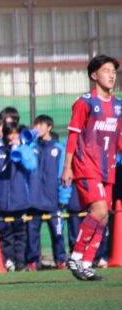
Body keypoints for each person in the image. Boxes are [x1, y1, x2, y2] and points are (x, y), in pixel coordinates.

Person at [62, 54, 122, 281]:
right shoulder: (85, 102)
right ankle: (76, 256)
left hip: (108, 168)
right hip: (86, 165)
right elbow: (73, 136)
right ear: (94, 75)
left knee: (103, 217)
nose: (112, 75)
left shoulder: (118, 106)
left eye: (114, 72)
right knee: (99, 211)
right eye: (106, 71)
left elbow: (119, 138)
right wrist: (67, 167)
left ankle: (86, 264)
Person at [0, 122, 37, 272]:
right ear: (5, 134)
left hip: (20, 200)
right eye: (10, 133)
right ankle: (7, 261)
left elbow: (31, 166)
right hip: (0, 199)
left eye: (16, 133)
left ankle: (20, 263)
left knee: (21, 234)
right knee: (4, 234)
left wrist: (20, 149)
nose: (13, 136)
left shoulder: (25, 148)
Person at [26, 114, 70, 270]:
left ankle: (60, 260)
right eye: (35, 125)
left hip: (53, 199)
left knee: (57, 233)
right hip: (34, 200)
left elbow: (64, 174)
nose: (37, 128)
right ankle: (33, 261)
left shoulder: (59, 149)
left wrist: (64, 196)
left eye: (41, 125)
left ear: (49, 127)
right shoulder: (31, 147)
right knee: (32, 233)